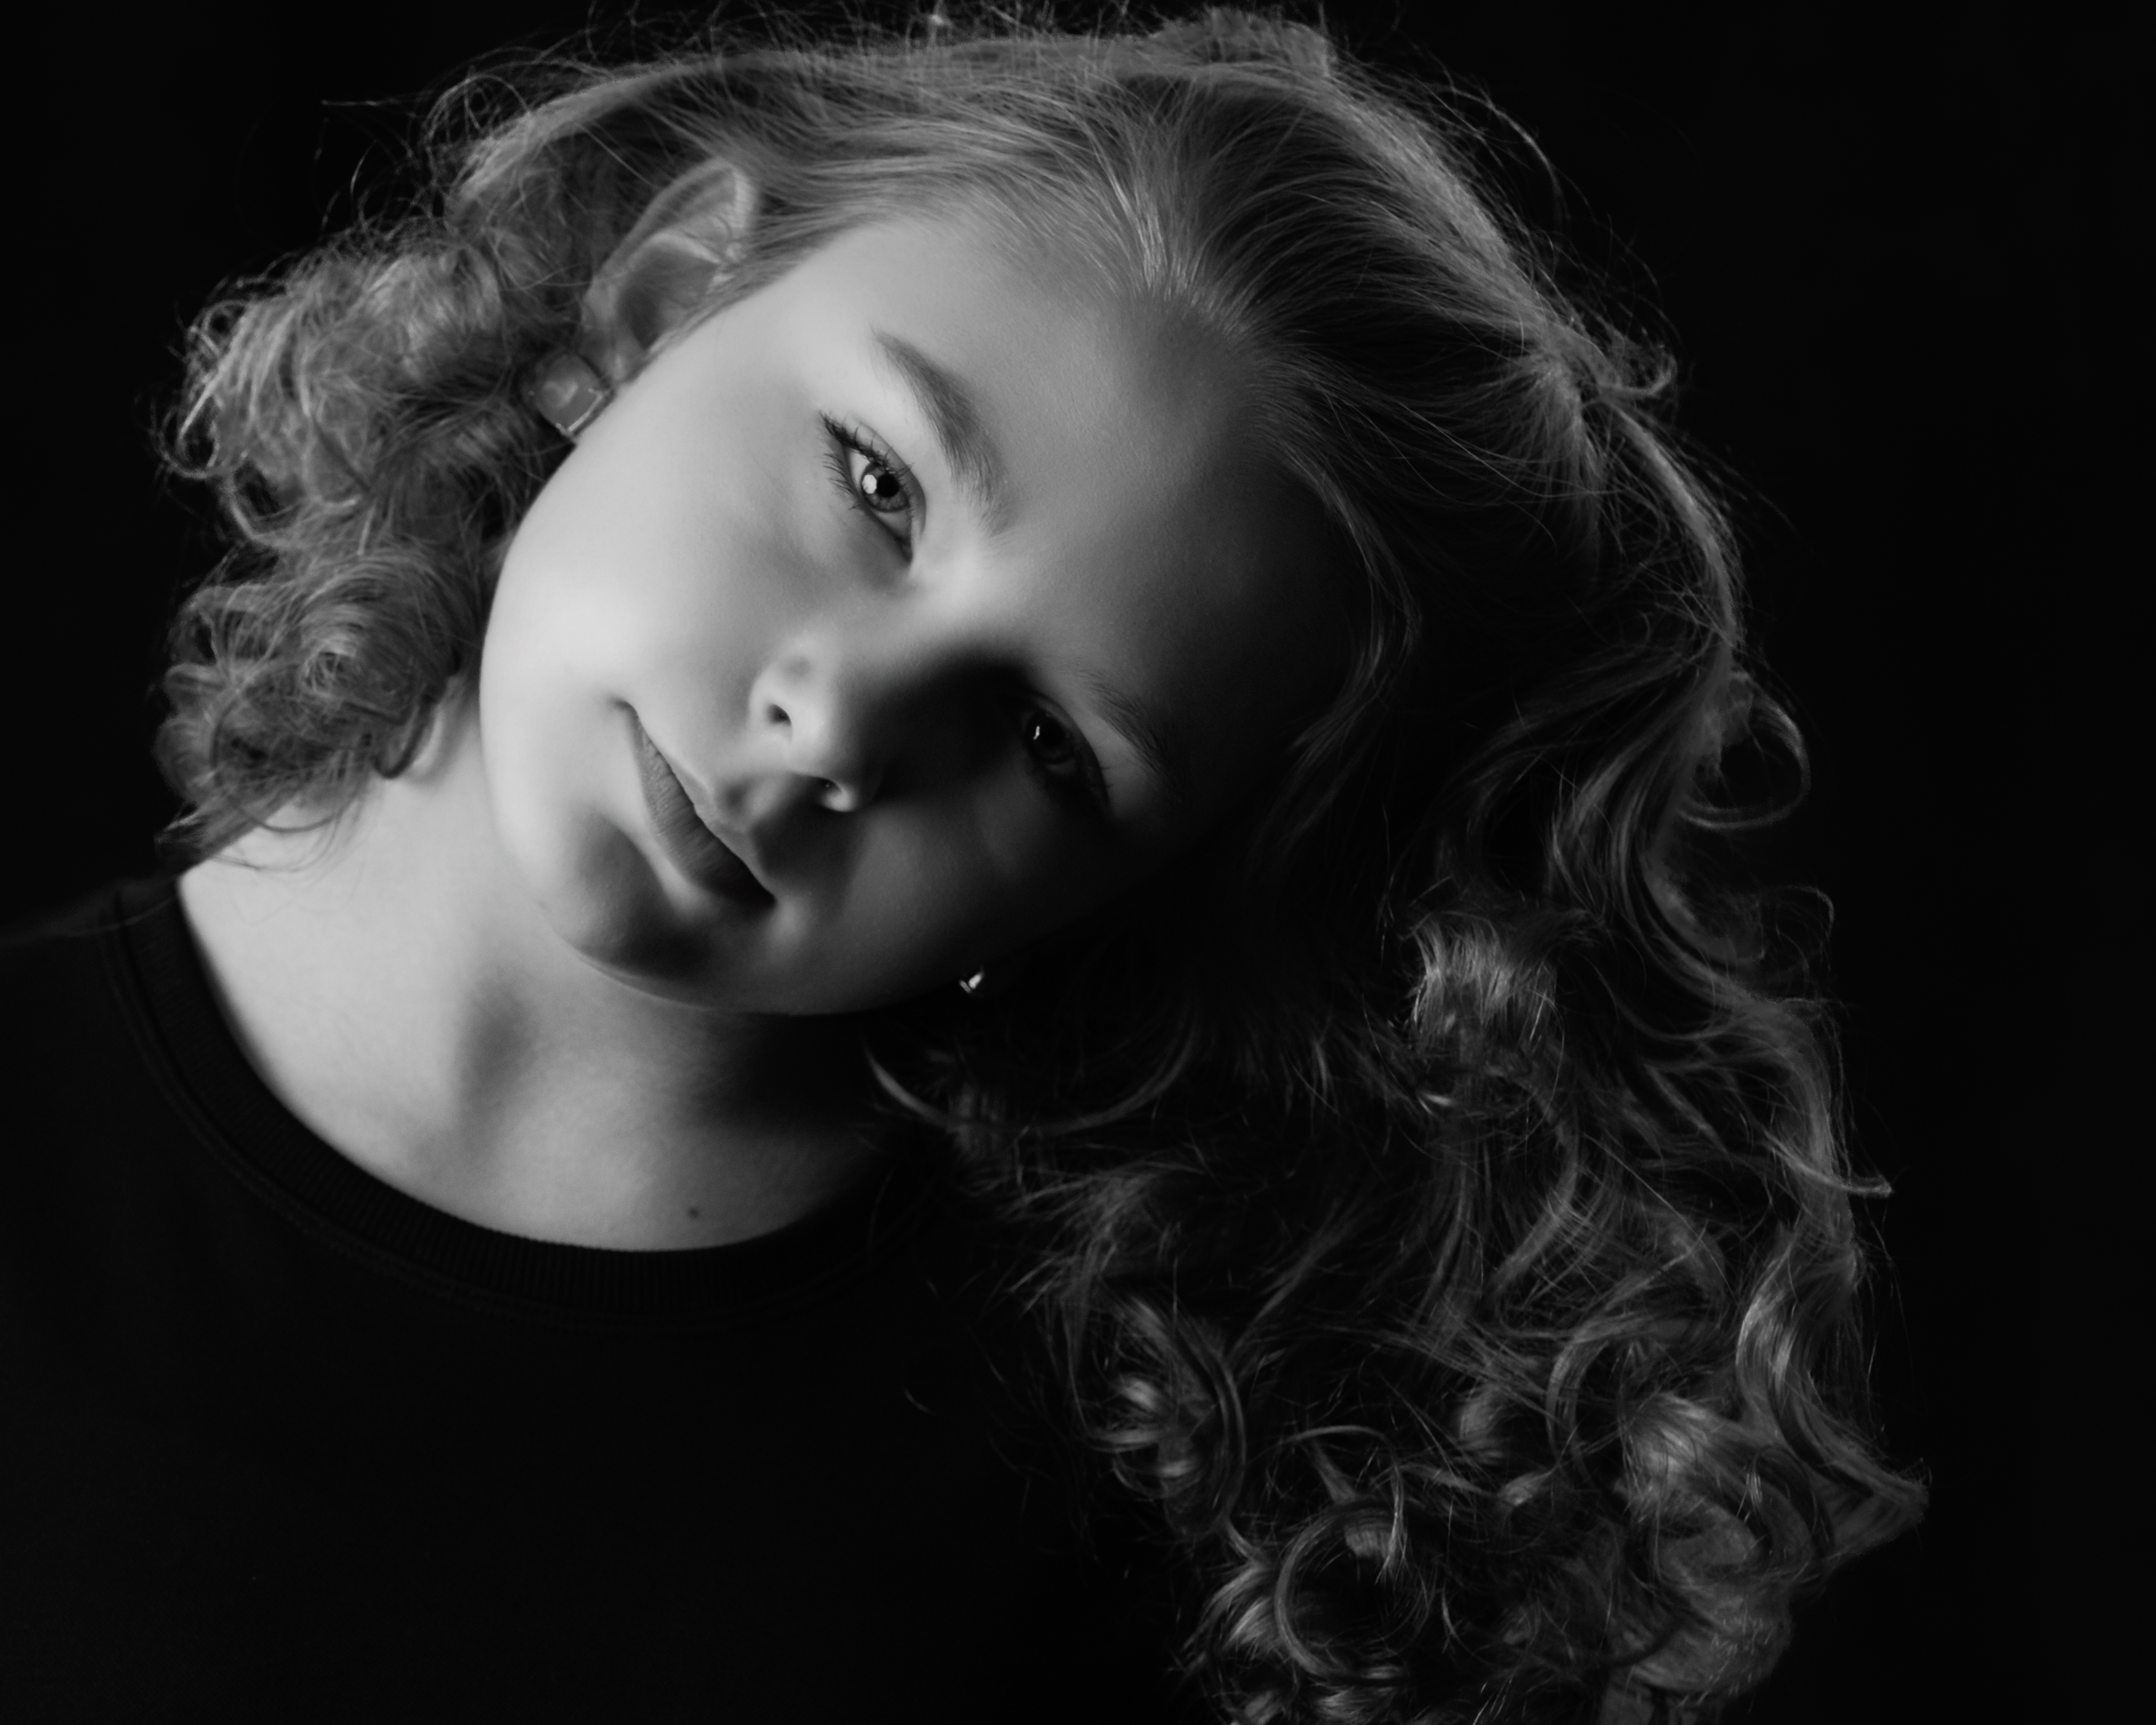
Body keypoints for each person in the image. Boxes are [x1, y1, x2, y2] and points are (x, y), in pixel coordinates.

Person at [0, 10, 1924, 1722]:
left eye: (1048, 746)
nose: (838, 727)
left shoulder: (1146, 1533)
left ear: (1144, 891)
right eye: (877, 484)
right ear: (657, 304)